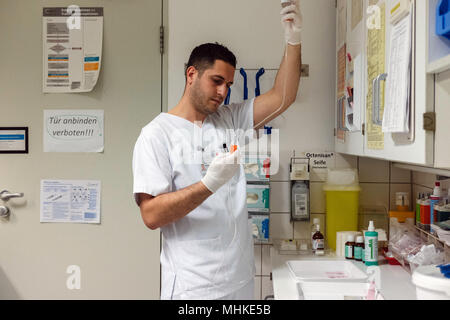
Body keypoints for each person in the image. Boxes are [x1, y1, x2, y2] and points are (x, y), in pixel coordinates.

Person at [132, 1, 302, 300]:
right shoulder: (157, 134)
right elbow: (151, 215)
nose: (224, 91)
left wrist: (293, 39)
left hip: (238, 282)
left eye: (229, 84)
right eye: (216, 81)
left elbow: (282, 97)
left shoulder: (230, 119)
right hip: (192, 288)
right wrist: (208, 184)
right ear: (191, 75)